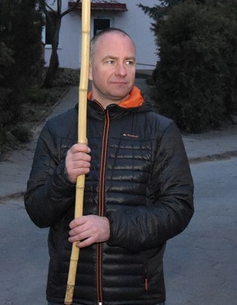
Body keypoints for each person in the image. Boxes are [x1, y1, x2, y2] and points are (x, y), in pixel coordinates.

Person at [25, 28, 194, 305]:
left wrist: (111, 228)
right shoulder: (59, 129)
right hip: (70, 294)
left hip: (137, 294)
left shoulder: (161, 131)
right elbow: (37, 211)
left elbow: (178, 208)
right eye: (110, 61)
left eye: (129, 61)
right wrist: (64, 177)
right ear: (89, 70)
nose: (122, 71)